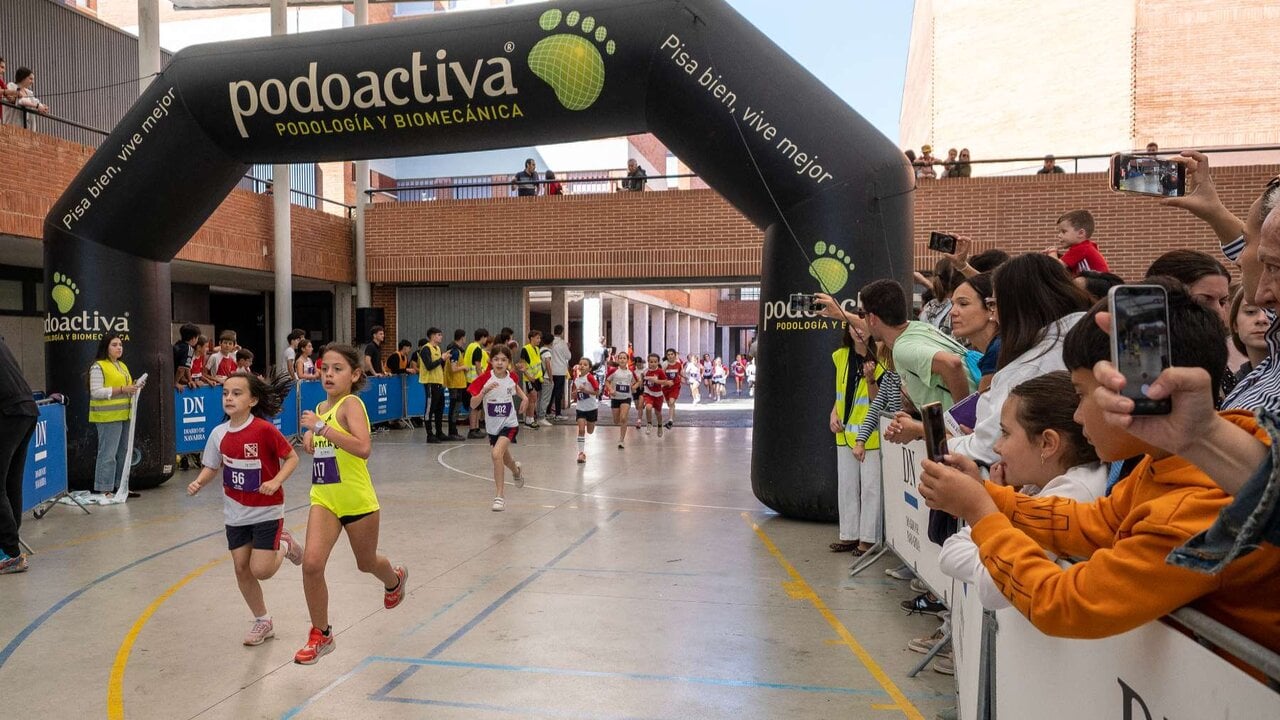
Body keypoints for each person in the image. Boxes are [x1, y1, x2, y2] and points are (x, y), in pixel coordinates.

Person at [918, 286, 1280, 653]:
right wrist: (986, 495)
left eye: (1080, 394)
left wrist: (980, 512)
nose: (1076, 415)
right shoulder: (1170, 463)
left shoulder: (1189, 508)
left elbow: (1066, 603)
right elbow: (1095, 523)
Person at [936, 372, 1106, 611]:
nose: (997, 447)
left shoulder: (1075, 493)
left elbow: (993, 586)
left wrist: (979, 508)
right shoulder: (1039, 484)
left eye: (1005, 433)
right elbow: (950, 553)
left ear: (1047, 444)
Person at [296, 345, 408, 665]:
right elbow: (327, 449)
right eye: (324, 368)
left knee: (366, 562)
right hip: (325, 499)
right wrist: (312, 441)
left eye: (337, 369)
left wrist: (321, 429)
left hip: (358, 501)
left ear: (354, 375)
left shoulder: (351, 404)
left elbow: (362, 448)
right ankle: (321, 633)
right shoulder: (320, 407)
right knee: (312, 564)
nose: (328, 374)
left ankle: (394, 579)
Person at [186, 372, 304, 647]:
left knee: (261, 570)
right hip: (235, 513)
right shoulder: (219, 434)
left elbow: (292, 457)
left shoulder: (263, 430)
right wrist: (199, 482)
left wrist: (275, 481)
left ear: (252, 400)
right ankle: (262, 620)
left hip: (267, 511)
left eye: (237, 393)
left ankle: (285, 544)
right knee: (242, 568)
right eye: (226, 393)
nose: (229, 398)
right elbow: (212, 466)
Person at [947, 253, 1091, 466]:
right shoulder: (1085, 333)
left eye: (994, 304)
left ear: (1017, 304)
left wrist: (947, 444)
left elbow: (989, 448)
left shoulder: (1029, 366)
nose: (994, 316)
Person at [855, 279, 973, 420]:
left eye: (863, 315)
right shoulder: (918, 327)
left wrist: (964, 419)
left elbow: (952, 364)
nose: (864, 321)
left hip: (971, 428)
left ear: (872, 318)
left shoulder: (902, 348)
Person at [1145, 249, 1235, 402]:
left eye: (1222, 301)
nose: (1220, 314)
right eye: (1205, 300)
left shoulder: (1217, 360)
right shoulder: (1144, 361)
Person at [827, 318, 885, 556]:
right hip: (844, 433)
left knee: (871, 488)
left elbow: (878, 401)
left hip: (870, 435)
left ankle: (868, 539)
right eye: (853, 326)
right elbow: (841, 393)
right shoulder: (840, 356)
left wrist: (871, 378)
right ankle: (849, 535)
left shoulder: (881, 360)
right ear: (847, 330)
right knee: (847, 486)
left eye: (861, 325)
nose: (858, 329)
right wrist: (833, 413)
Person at [467, 345, 528, 511]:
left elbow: (515, 386)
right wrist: (483, 392)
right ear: (490, 361)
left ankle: (499, 496)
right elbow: (473, 404)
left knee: (495, 455)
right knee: (504, 458)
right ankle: (516, 471)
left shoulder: (512, 377)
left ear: (508, 362)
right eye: (496, 359)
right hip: (493, 428)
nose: (500, 363)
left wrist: (524, 398)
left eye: (503, 360)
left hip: (510, 424)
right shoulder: (483, 379)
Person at [89, 333, 144, 498]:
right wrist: (122, 389)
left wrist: (135, 386)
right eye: (114, 344)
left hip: (124, 414)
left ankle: (121, 487)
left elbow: (125, 387)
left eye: (120, 344)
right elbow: (96, 392)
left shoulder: (122, 365)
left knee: (123, 453)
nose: (119, 347)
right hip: (107, 417)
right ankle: (104, 489)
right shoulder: (98, 366)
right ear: (106, 347)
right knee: (108, 453)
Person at [0, 336, 36, 574]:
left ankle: (9, 553)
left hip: (7, 411)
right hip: (26, 408)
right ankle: (10, 548)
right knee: (11, 482)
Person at [948, 272, 1000, 392]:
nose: (952, 312)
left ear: (992, 308)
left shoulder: (997, 352)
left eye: (963, 304)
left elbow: (984, 409)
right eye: (952, 304)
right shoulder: (996, 348)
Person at [1045, 209, 1109, 275]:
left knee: (1077, 281)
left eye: (1064, 231)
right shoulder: (1086, 247)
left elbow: (1056, 267)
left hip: (1101, 282)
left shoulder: (1082, 248)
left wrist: (1052, 252)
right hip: (1101, 281)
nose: (1059, 235)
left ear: (1081, 233)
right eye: (1059, 232)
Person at [1229, 287, 1270, 382]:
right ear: (1235, 325)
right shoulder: (1232, 385)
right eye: (1250, 311)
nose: (1261, 319)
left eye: (1271, 312)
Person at [416, 329, 446, 444]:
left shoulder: (437, 348)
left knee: (439, 408)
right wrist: (441, 359)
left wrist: (443, 360)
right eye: (439, 335)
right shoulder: (425, 349)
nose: (441, 337)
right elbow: (429, 366)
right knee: (430, 409)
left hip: (439, 382)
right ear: (432, 336)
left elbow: (438, 365)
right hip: (430, 383)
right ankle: (429, 434)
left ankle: (439, 432)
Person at [605, 351, 638, 449]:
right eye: (621, 358)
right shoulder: (613, 371)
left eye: (624, 358)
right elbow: (607, 381)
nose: (622, 360)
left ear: (627, 360)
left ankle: (621, 440)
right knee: (616, 421)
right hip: (615, 398)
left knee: (623, 418)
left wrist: (634, 387)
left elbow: (636, 383)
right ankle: (621, 428)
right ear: (618, 360)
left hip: (626, 398)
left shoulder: (630, 372)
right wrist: (610, 389)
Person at [464, 329, 492, 439]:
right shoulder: (477, 349)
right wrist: (483, 380)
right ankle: (472, 429)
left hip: (470, 380)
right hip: (475, 381)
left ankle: (475, 428)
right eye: (486, 338)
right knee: (475, 406)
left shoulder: (470, 346)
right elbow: (478, 366)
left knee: (476, 406)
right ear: (483, 337)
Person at [442, 329, 469, 441]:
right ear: (462, 337)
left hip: (457, 384)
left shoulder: (454, 350)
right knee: (454, 409)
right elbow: (453, 369)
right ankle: (452, 432)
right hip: (455, 384)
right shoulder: (455, 351)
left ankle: (453, 431)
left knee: (455, 408)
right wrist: (464, 367)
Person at [517, 330, 548, 429]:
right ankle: (529, 420)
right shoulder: (525, 349)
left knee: (533, 399)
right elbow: (522, 364)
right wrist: (529, 376)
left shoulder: (537, 349)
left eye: (540, 338)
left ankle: (530, 419)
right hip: (529, 378)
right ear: (531, 338)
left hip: (537, 378)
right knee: (533, 397)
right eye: (537, 338)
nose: (539, 340)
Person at [641, 353, 672, 437]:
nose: (653, 363)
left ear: (658, 362)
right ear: (648, 362)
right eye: (651, 362)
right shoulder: (645, 371)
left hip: (658, 395)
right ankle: (649, 423)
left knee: (658, 413)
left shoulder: (660, 371)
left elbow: (665, 381)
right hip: (648, 393)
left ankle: (659, 425)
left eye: (655, 362)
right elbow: (641, 379)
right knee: (648, 407)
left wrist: (656, 381)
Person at [547, 325, 572, 419]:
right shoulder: (562, 343)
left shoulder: (549, 343)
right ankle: (558, 413)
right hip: (560, 371)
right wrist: (568, 347)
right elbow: (568, 356)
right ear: (562, 332)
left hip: (550, 370)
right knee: (558, 393)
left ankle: (548, 412)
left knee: (551, 392)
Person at [173, 323, 200, 391]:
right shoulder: (190, 350)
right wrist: (175, 383)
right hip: (174, 380)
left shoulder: (177, 344)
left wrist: (190, 380)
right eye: (197, 338)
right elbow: (181, 368)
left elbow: (186, 367)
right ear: (193, 338)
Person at [660, 348, 683, 427]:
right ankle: (672, 414)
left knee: (671, 402)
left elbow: (681, 373)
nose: (670, 356)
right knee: (669, 404)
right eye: (668, 355)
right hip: (666, 387)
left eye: (671, 354)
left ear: (675, 355)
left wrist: (686, 378)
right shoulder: (665, 364)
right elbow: (661, 375)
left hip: (675, 386)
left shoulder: (678, 364)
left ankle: (670, 421)